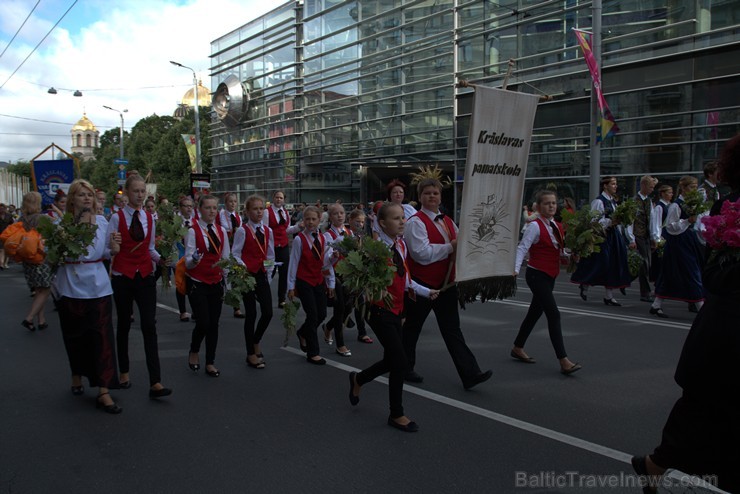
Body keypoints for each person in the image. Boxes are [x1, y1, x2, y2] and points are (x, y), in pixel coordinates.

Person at [631, 134, 740, 494]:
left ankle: (654, 465)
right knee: (701, 406)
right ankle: (654, 464)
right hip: (727, 329)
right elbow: (716, 274)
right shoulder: (729, 205)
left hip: (723, 330)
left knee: (705, 411)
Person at [348, 202, 439, 432]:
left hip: (397, 310)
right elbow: (361, 283)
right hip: (379, 311)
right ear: (381, 223)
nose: (402, 222)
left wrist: (427, 292)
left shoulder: (401, 246)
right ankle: (396, 414)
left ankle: (359, 379)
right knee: (400, 362)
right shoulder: (373, 250)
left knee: (392, 360)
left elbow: (405, 279)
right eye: (396, 218)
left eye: (403, 218)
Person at [402, 178, 492, 389]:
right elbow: (421, 254)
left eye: (435, 193)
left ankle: (470, 373)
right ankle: (404, 367)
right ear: (420, 197)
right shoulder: (415, 222)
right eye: (427, 193)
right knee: (412, 328)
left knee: (452, 329)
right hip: (423, 285)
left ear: (441, 197)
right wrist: (451, 247)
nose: (432, 196)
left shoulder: (449, 222)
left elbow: (463, 246)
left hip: (447, 286)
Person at [54, 179, 123, 413]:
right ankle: (77, 373)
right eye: (82, 194)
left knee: (102, 338)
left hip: (98, 286)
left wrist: (114, 249)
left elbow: (106, 252)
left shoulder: (102, 222)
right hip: (70, 285)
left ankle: (104, 390)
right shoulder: (61, 224)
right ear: (72, 199)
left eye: (90, 195)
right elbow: (53, 255)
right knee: (75, 336)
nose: (87, 198)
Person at [106, 173, 172, 399]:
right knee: (124, 324)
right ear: (127, 192)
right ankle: (123, 371)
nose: (140, 195)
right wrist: (113, 249)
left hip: (145, 275)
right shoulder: (116, 218)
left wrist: (161, 260)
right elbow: (110, 248)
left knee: (149, 326)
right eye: (136, 191)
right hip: (123, 275)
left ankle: (156, 381)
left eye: (143, 191)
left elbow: (150, 247)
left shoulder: (150, 218)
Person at [511, 190, 581, 375]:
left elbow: (558, 250)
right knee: (554, 314)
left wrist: (571, 254)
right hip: (536, 275)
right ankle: (564, 361)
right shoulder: (534, 226)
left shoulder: (556, 226)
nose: (551, 206)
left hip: (550, 275)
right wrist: (515, 270)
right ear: (539, 207)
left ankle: (518, 347)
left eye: (553, 203)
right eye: (547, 203)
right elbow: (522, 248)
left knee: (534, 313)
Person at [185, 194, 230, 378]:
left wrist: (228, 284)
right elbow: (187, 261)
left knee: (214, 324)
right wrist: (194, 260)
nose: (211, 211)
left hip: (216, 282)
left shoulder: (221, 231)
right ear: (199, 210)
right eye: (207, 208)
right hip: (197, 281)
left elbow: (225, 258)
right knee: (203, 322)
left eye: (214, 208)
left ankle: (210, 361)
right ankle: (194, 350)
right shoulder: (193, 231)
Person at [650, 176, 706, 318]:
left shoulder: (691, 204)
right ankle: (701, 306)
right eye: (691, 187)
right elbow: (670, 227)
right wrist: (687, 221)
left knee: (674, 271)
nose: (694, 190)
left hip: (688, 240)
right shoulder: (676, 205)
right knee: (691, 271)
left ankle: (656, 304)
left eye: (695, 187)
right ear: (683, 188)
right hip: (678, 242)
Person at [571, 176, 631, 305]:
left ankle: (609, 296)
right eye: (613, 184)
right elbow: (594, 221)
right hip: (602, 236)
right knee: (600, 263)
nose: (615, 186)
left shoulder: (613, 201)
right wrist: (610, 221)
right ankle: (585, 284)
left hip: (613, 236)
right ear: (605, 185)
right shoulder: (599, 201)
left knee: (613, 264)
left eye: (616, 184)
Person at [287, 205, 335, 365]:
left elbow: (326, 262)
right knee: (313, 314)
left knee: (321, 314)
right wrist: (291, 287)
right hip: (304, 281)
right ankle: (313, 353)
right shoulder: (299, 239)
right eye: (307, 219)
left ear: (319, 219)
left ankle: (303, 332)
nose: (310, 222)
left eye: (313, 219)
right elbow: (293, 263)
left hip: (318, 280)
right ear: (303, 220)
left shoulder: (323, 238)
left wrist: (331, 282)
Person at [232, 195, 274, 369]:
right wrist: (242, 268)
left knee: (268, 312)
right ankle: (250, 353)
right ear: (247, 211)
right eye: (255, 209)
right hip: (247, 276)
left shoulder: (267, 231)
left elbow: (270, 254)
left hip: (261, 273)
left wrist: (269, 273)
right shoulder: (243, 230)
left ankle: (256, 340)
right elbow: (235, 253)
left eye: (261, 208)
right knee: (251, 313)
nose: (259, 212)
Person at [11, 192, 52, 331]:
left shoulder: (20, 219)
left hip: (27, 258)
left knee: (38, 290)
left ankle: (41, 320)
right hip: (41, 258)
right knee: (46, 289)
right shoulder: (42, 218)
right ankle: (29, 318)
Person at [322, 203, 352, 357]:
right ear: (330, 217)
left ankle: (328, 326)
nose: (340, 216)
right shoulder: (328, 235)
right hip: (334, 274)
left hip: (348, 274)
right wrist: (332, 256)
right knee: (339, 308)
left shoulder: (349, 232)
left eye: (342, 213)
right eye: (336, 214)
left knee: (349, 307)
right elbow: (325, 258)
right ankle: (340, 344)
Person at [264, 190, 303, 309]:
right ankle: (263, 295)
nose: (279, 199)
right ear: (273, 198)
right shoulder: (267, 212)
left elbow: (287, 230)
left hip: (284, 247)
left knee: (284, 272)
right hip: (271, 248)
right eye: (277, 197)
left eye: (281, 198)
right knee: (268, 271)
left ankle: (281, 299)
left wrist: (298, 227)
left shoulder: (285, 212)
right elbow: (265, 230)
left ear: (284, 200)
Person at [626, 176, 659, 302]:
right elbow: (630, 222)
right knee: (644, 264)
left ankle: (625, 280)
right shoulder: (634, 201)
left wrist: (653, 237)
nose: (652, 189)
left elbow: (651, 220)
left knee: (646, 264)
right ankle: (645, 293)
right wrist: (631, 239)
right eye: (650, 187)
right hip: (637, 235)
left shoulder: (649, 201)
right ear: (643, 186)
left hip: (645, 236)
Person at [217, 191, 245, 318]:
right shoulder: (220, 215)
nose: (233, 204)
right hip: (223, 247)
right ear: (226, 203)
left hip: (235, 249)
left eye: (235, 201)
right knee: (222, 274)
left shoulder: (238, 217)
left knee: (234, 276)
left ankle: (236, 306)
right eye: (230, 201)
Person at [347, 208, 373, 344]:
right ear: (350, 221)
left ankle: (362, 332)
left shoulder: (363, 237)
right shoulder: (347, 236)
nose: (360, 225)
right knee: (346, 305)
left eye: (362, 222)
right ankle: (331, 325)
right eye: (357, 221)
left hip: (360, 276)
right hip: (349, 275)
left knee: (361, 303)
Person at [175, 196, 195, 322]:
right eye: (186, 206)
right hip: (179, 254)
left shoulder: (196, 222)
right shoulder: (176, 222)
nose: (188, 208)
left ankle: (195, 310)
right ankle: (182, 311)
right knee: (181, 283)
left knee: (193, 283)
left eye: (190, 206)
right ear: (180, 208)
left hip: (191, 255)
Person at [0, 203, 14, 269]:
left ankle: (5, 263)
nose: (1, 209)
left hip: (7, 234)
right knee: (1, 249)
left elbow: (12, 224)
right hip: (0, 234)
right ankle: (1, 263)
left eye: (2, 208)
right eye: (0, 208)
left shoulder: (9, 215)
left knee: (7, 249)